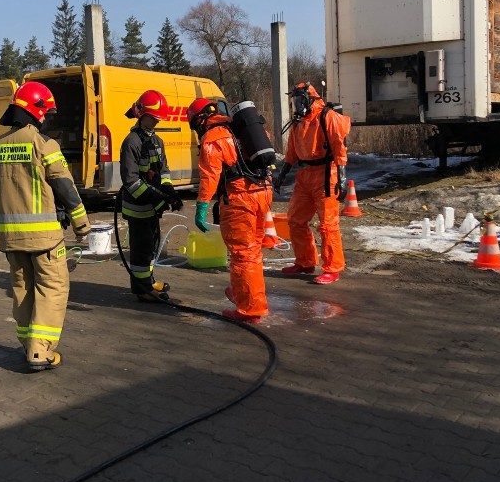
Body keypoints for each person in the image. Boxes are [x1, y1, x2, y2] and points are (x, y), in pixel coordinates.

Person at [0, 81, 90, 371]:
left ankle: (28, 345)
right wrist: (81, 224)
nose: (45, 119)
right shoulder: (44, 144)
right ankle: (40, 352)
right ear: (36, 112)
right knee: (51, 288)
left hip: (11, 240)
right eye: (45, 114)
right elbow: (65, 188)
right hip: (46, 239)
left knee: (22, 289)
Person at [188, 98, 273, 323]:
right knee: (252, 251)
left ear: (199, 120)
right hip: (262, 192)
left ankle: (250, 308)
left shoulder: (212, 138)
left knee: (242, 254)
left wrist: (201, 207)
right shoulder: (238, 127)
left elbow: (209, 177)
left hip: (240, 199)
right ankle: (244, 294)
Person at [273, 82, 350, 285]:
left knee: (328, 225)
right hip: (304, 175)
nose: (297, 105)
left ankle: (332, 268)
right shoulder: (299, 123)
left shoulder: (327, 117)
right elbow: (291, 153)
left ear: (310, 99)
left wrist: (341, 178)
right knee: (295, 220)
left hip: (326, 174)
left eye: (300, 101)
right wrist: (281, 175)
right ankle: (305, 261)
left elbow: (339, 149)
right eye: (295, 101)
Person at [118, 90, 183, 303]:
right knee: (140, 251)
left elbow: (164, 169)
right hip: (138, 208)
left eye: (158, 120)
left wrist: (169, 190)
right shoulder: (132, 142)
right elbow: (131, 181)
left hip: (152, 207)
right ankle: (142, 290)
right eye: (153, 119)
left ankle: (148, 281)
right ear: (141, 114)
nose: (155, 123)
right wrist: (154, 197)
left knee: (152, 247)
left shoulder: (157, 141)